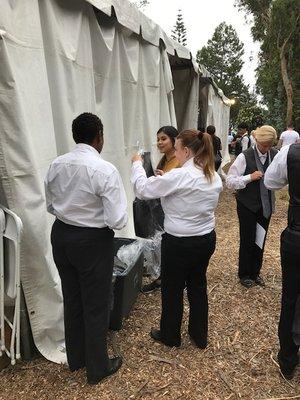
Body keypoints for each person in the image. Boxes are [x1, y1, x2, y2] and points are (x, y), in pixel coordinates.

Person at [44, 113, 127, 384]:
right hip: (91, 240)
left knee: (73, 297)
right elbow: (117, 219)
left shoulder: (56, 164)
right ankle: (97, 367)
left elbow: (50, 205)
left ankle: (77, 358)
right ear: (99, 136)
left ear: (74, 135)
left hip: (62, 235)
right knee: (96, 303)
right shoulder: (104, 169)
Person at [131, 129, 222, 348]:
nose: (176, 153)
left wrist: (136, 164)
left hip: (180, 242)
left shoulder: (180, 175)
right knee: (197, 285)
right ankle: (199, 335)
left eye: (178, 149)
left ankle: (170, 335)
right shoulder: (212, 174)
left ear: (187, 151)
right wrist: (167, 180)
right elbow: (186, 194)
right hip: (205, 238)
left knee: (172, 288)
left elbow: (142, 189)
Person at [264, 142, 300, 379]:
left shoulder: (291, 152)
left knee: (290, 297)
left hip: (297, 236)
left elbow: (271, 181)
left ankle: (288, 357)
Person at [226, 125, 278, 288]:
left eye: (270, 145)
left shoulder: (275, 155)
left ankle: (256, 272)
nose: (266, 148)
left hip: (266, 205)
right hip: (247, 204)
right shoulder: (244, 156)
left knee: (260, 239)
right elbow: (229, 181)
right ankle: (244, 273)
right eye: (264, 145)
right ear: (257, 140)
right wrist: (249, 177)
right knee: (247, 238)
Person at [141, 126, 179, 293]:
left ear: (174, 140)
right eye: (158, 139)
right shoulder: (165, 159)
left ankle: (167, 279)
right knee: (161, 244)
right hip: (162, 209)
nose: (160, 142)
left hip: (173, 211)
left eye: (164, 139)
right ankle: (164, 276)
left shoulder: (178, 160)